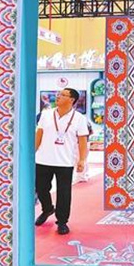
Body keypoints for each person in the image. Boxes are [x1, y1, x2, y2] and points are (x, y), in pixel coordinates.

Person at [34, 88, 89, 235]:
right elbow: (39, 135)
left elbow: (82, 140)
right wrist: (32, 153)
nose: (58, 96)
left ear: (71, 100)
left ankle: (62, 221)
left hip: (65, 161)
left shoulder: (79, 118)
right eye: (59, 94)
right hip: (43, 159)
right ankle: (47, 209)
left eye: (63, 95)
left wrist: (82, 160)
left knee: (64, 193)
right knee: (41, 188)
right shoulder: (46, 114)